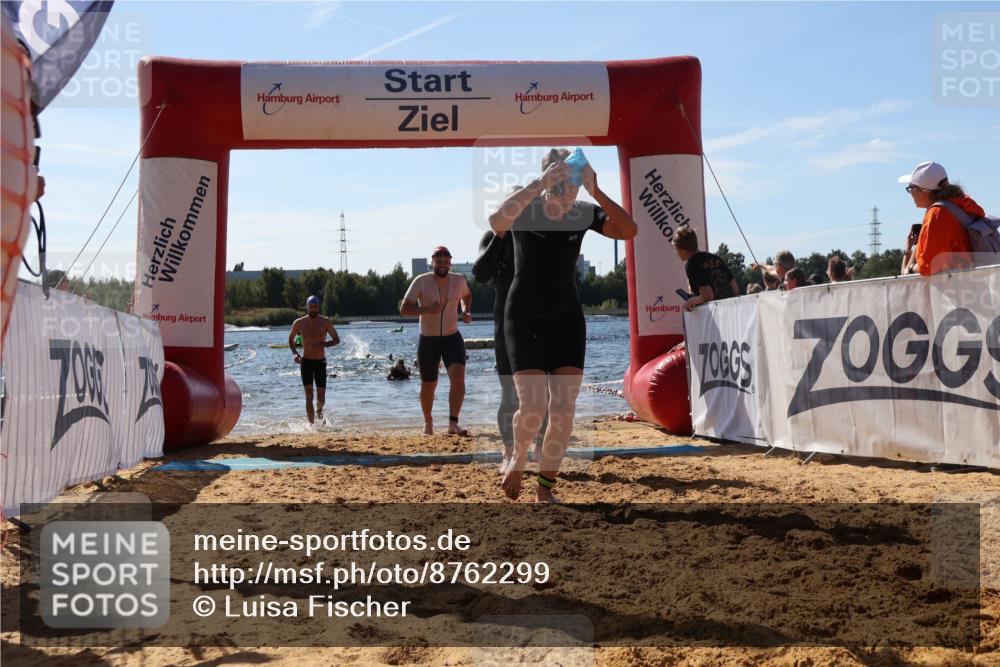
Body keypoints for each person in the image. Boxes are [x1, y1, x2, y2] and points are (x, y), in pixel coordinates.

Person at [488, 148, 638, 502]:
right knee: (533, 406)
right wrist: (538, 185)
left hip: (566, 319)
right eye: (558, 186)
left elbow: (628, 230)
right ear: (545, 182)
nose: (565, 195)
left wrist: (597, 190)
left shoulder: (584, 213)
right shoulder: (527, 209)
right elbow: (496, 222)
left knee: (564, 409)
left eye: (572, 187)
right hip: (523, 316)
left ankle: (545, 489)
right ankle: (519, 455)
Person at [473, 187, 547, 471]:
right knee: (510, 392)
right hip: (506, 324)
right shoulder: (494, 236)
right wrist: (501, 235)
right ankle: (508, 452)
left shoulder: (543, 234)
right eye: (515, 206)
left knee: (546, 392)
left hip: (541, 321)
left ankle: (541, 447)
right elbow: (480, 274)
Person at [399, 246, 473, 436]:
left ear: (450, 262)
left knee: (458, 379)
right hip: (428, 339)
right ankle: (428, 423)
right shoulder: (421, 281)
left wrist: (465, 310)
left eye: (446, 262)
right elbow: (404, 309)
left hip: (452, 337)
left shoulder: (458, 280)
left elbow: (467, 295)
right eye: (438, 262)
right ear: (432, 262)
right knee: (429, 385)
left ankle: (453, 423)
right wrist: (426, 309)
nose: (442, 265)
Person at [898, 161, 977, 276]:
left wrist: (909, 269)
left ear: (925, 190)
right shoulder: (961, 205)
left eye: (911, 188)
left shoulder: (937, 215)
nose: (910, 193)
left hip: (955, 288)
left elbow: (930, 265)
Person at [289, 295, 340, 424]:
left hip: (320, 363)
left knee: (321, 398)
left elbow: (336, 340)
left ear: (318, 307)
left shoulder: (325, 322)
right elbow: (291, 340)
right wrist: (295, 353)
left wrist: (323, 344)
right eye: (311, 306)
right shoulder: (299, 322)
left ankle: (319, 410)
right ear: (307, 307)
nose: (313, 309)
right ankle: (311, 425)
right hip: (306, 362)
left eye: (315, 307)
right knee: (309, 396)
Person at [671, 227, 738, 311]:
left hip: (715, 315)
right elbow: (735, 289)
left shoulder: (691, 265)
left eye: (676, 250)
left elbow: (708, 296)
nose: (676, 253)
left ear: (681, 250)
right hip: (732, 310)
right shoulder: (716, 258)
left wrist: (690, 302)